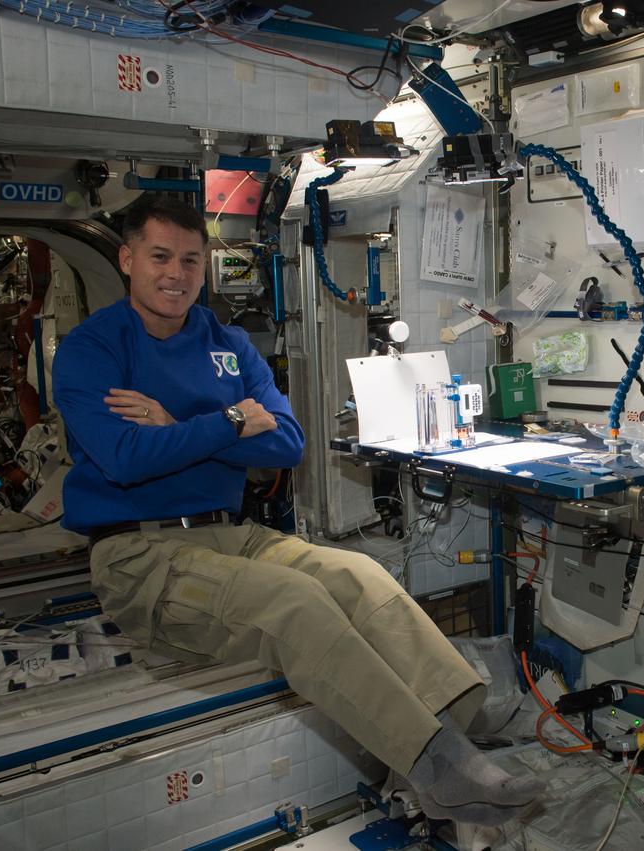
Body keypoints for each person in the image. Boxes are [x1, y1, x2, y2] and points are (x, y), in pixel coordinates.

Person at [52, 195, 542, 826]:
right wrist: (231, 421)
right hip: (138, 554)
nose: (177, 274)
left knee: (361, 576)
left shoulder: (226, 342)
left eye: (191, 260)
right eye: (160, 257)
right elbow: (124, 458)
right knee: (296, 600)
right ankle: (440, 771)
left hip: (229, 534)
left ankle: (454, 734)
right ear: (126, 259)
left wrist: (176, 428)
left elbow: (287, 444)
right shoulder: (92, 349)